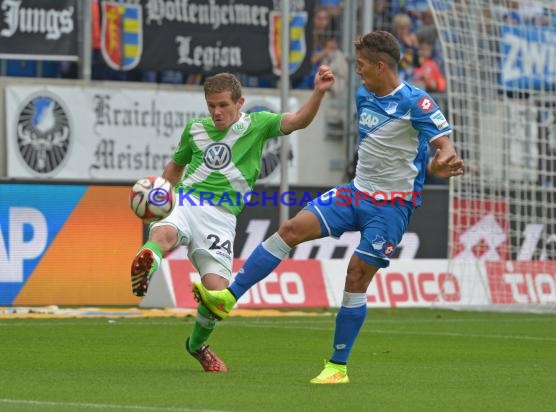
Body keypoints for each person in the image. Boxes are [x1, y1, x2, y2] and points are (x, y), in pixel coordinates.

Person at [192, 30, 464, 383]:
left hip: (392, 206)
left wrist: (441, 163)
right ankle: (227, 298)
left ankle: (337, 367)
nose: (358, 71)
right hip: (355, 193)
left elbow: (445, 148)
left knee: (355, 275)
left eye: (363, 65)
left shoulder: (417, 102)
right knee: (289, 230)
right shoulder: (364, 94)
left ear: (382, 66)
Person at [130, 67, 336, 372]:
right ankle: (146, 263)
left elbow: (298, 121)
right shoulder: (195, 129)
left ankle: (197, 345)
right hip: (186, 201)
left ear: (240, 103)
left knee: (216, 295)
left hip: (221, 217)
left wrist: (318, 91)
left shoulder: (259, 124)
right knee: (164, 237)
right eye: (211, 105)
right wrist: (160, 197)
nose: (216, 112)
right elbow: (175, 169)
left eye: (223, 105)